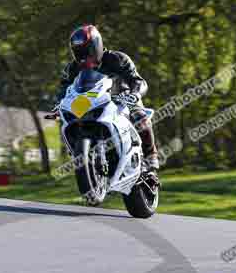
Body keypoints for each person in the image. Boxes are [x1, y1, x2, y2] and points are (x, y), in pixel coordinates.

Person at [55, 24, 160, 178]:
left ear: (96, 46)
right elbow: (63, 89)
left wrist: (135, 94)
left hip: (123, 99)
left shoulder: (118, 59)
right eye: (79, 53)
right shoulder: (72, 69)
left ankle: (151, 157)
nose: (84, 57)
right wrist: (59, 104)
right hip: (88, 103)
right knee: (67, 121)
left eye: (87, 51)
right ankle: (82, 158)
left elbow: (138, 81)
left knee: (139, 116)